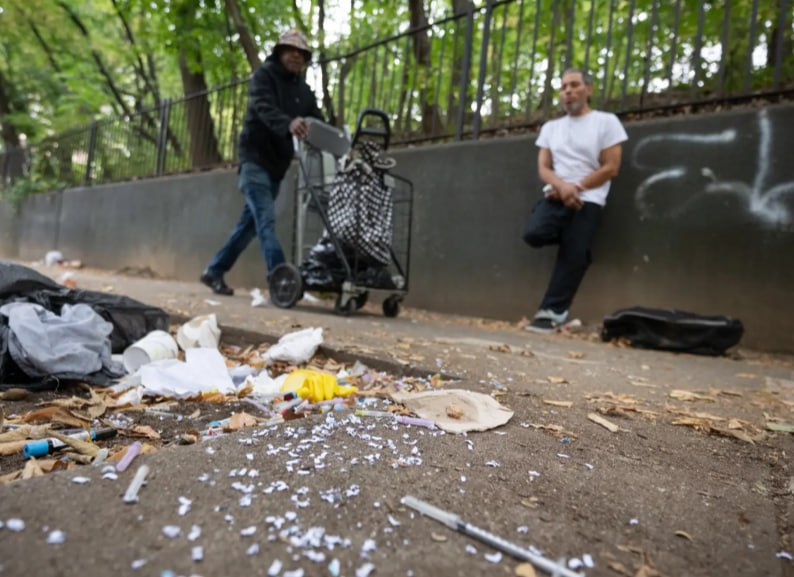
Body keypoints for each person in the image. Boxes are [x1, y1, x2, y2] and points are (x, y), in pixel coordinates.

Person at [200, 29, 323, 295]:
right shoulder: (263, 77)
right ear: (279, 52)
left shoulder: (304, 91)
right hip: (254, 160)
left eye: (301, 53)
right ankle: (280, 279)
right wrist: (288, 123)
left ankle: (214, 270)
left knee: (249, 227)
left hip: (277, 167)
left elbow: (317, 119)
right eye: (290, 50)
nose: (295, 56)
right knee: (266, 220)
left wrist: (334, 138)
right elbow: (263, 108)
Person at [523, 68, 628, 333]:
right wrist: (562, 187)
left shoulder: (606, 122)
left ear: (588, 89)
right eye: (563, 87)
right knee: (534, 233)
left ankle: (552, 313)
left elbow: (611, 167)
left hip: (588, 198)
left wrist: (577, 188)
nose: (567, 91)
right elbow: (544, 168)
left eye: (574, 85)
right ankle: (578, 244)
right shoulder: (551, 128)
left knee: (573, 254)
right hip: (556, 195)